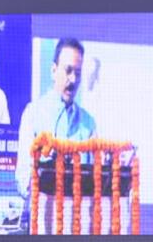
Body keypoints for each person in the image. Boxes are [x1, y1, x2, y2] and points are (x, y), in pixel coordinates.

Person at [15, 38, 97, 197]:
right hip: (44, 215)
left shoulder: (88, 123)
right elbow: (22, 179)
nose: (73, 80)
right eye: (68, 70)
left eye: (78, 73)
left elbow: (96, 179)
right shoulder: (33, 114)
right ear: (54, 70)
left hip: (80, 217)